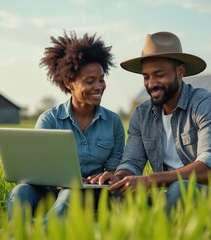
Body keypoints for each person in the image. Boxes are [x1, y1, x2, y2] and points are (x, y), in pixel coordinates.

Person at [90, 31, 211, 214]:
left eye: (159, 75)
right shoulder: (142, 114)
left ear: (180, 71)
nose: (151, 84)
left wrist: (151, 180)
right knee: (117, 193)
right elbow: (132, 163)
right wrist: (118, 177)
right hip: (167, 197)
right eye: (146, 77)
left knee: (179, 189)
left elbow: (209, 168)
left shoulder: (205, 104)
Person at [6, 31, 125, 220]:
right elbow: (39, 169)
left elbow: (115, 167)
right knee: (20, 192)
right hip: (53, 191)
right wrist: (57, 182)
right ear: (70, 84)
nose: (99, 86)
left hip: (96, 194)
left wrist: (108, 174)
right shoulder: (49, 120)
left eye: (101, 79)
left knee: (71, 193)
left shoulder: (113, 122)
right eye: (90, 81)